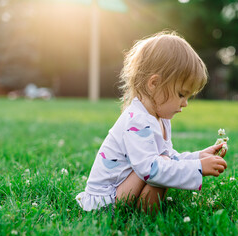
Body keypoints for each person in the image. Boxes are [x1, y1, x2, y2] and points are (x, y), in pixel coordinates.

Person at [76, 31, 227, 212]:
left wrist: (198, 157)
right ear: (154, 83)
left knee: (163, 161)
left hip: (123, 189)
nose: (185, 104)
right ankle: (146, 215)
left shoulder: (159, 118)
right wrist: (198, 168)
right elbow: (151, 169)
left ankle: (144, 212)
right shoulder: (137, 120)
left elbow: (169, 157)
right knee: (159, 165)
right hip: (105, 201)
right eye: (181, 94)